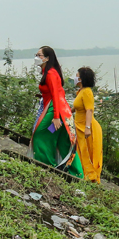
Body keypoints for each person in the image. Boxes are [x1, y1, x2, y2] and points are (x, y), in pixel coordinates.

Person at [30, 46, 84, 177]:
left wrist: (55, 117)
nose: (36, 57)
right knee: (63, 141)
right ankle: (75, 173)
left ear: (47, 58)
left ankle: (46, 166)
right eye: (36, 54)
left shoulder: (50, 73)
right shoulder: (48, 72)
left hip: (55, 112)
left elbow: (56, 95)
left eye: (39, 55)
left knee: (41, 135)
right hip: (60, 111)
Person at [73, 66, 102, 183]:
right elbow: (76, 108)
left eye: (77, 76)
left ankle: (90, 177)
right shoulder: (81, 92)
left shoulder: (87, 92)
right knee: (80, 151)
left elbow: (89, 110)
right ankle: (81, 173)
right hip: (78, 126)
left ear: (81, 79)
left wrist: (87, 128)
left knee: (87, 153)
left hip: (87, 127)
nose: (75, 78)